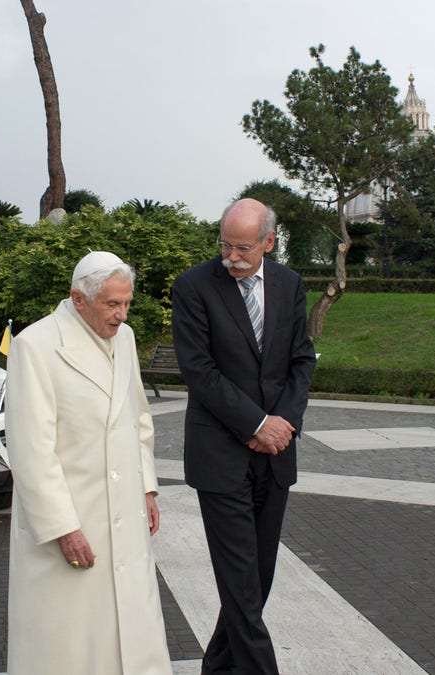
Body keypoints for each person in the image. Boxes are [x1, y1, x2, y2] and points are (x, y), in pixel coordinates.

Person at [5, 251, 173, 675]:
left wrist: (147, 488)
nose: (121, 315)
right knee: (69, 643)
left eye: (127, 303)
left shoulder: (127, 338)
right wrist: (63, 527)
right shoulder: (35, 345)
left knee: (132, 635)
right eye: (112, 305)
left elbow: (137, 418)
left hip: (124, 512)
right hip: (72, 520)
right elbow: (30, 449)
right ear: (78, 299)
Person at [170, 198, 316, 674]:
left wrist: (281, 425)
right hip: (221, 457)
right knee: (241, 585)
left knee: (258, 580)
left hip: (274, 456)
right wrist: (256, 424)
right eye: (225, 245)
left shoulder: (290, 284)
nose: (231, 256)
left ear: (269, 242)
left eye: (243, 248)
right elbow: (200, 371)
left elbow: (301, 361)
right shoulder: (193, 287)